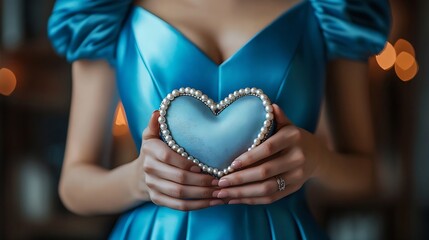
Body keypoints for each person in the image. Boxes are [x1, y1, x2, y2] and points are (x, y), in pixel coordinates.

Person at [48, 0, 391, 239]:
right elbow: (74, 186)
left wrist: (318, 161)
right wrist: (138, 182)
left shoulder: (332, 10)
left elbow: (367, 176)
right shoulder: (104, 12)